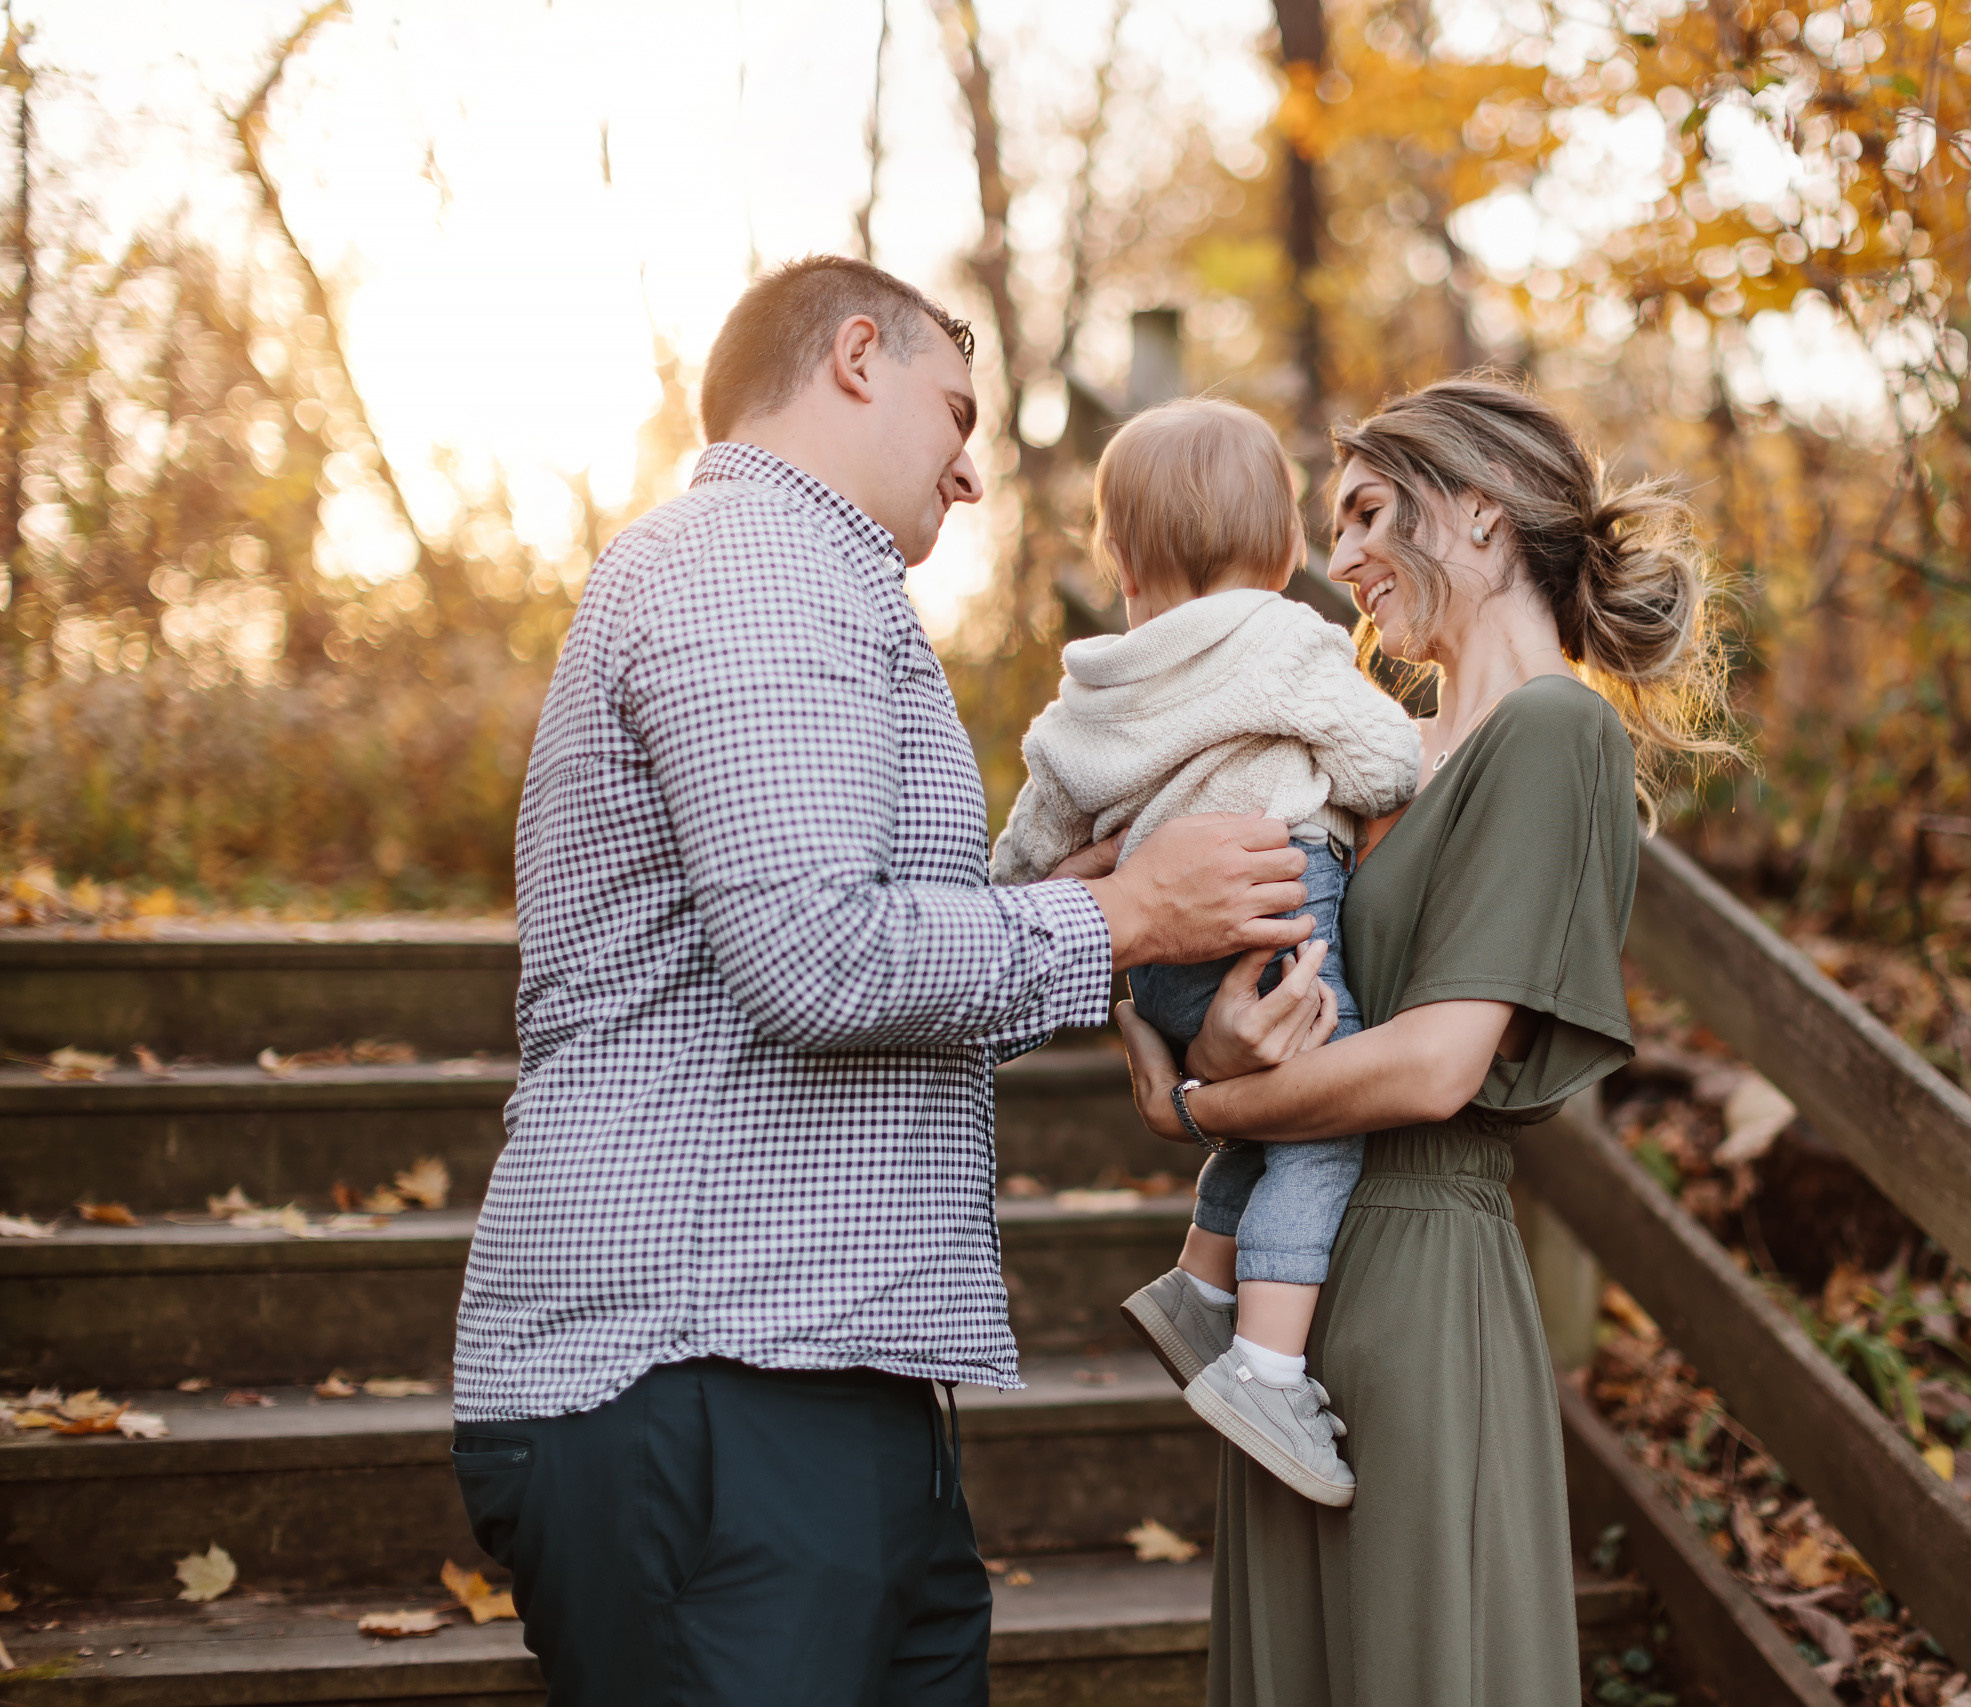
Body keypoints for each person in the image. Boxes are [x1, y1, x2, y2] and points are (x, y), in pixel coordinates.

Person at [448, 255, 1318, 1707]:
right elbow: (815, 958)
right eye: (956, 410)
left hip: (819, 1374)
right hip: (706, 1376)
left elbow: (863, 957)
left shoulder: (806, 582)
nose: (971, 471)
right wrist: (1123, 922)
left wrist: (1090, 922)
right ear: (858, 356)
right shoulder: (749, 565)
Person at [1114, 374, 1740, 1707]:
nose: (1335, 561)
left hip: (1416, 1275)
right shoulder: (1376, 756)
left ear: (1476, 515)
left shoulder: (1555, 729)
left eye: (1365, 513)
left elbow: (1438, 1062)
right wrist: (1213, 1040)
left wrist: (1218, 1108)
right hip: (1292, 1303)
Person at [988, 397, 1420, 1506]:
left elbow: (1035, 846)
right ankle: (1269, 1372)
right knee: (1323, 1129)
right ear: (1283, 548)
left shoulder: (1095, 684)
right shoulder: (1280, 637)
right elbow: (1382, 764)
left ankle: (1198, 1284)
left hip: (1158, 955)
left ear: (1121, 555)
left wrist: (1042, 896)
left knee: (1264, 1130)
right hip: (1277, 907)